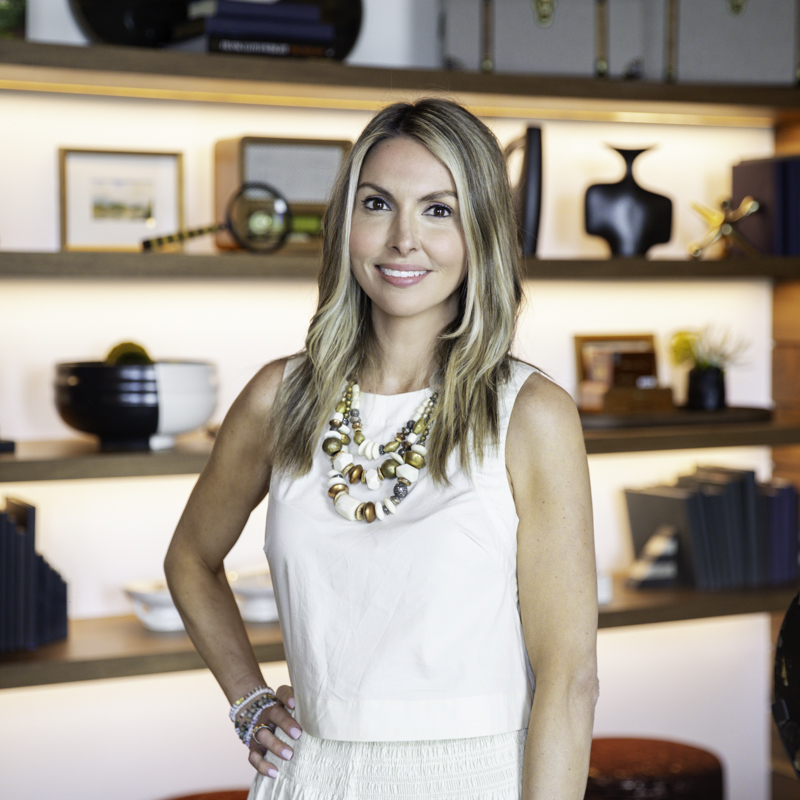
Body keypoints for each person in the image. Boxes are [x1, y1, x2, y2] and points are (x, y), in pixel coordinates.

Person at [165, 97, 599, 800]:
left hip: (477, 778)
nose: (403, 239)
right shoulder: (280, 397)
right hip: (308, 776)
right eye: (377, 204)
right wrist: (249, 701)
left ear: (481, 232)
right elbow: (189, 558)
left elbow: (569, 680)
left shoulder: (530, 415)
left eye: (438, 210)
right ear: (345, 224)